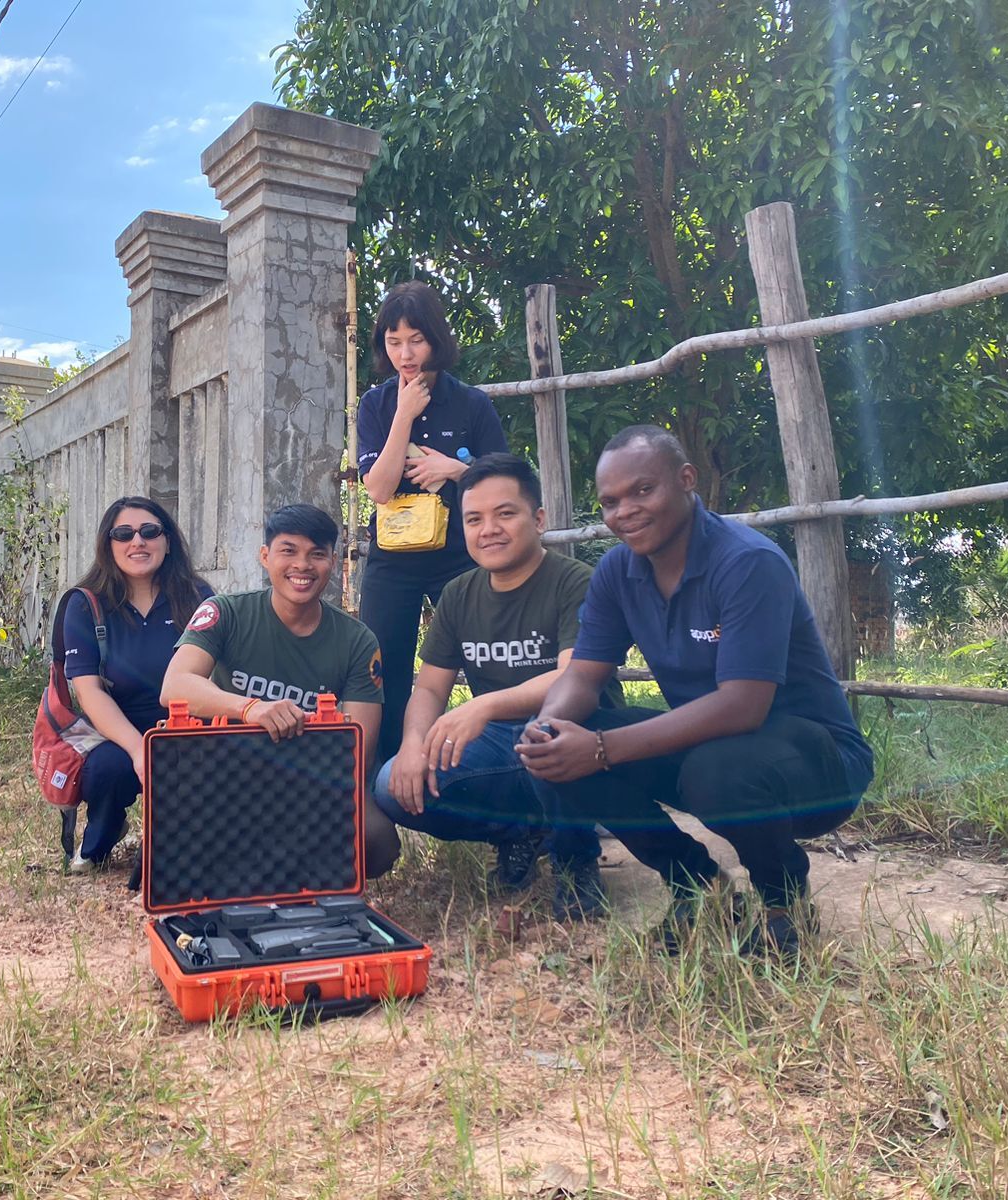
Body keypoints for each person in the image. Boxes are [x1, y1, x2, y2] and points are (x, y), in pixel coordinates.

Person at [517, 426, 874, 950]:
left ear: (686, 480)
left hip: (815, 762)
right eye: (610, 502)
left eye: (643, 491)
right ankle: (698, 887)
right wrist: (547, 728)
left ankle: (784, 902)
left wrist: (600, 748)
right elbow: (583, 675)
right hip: (710, 747)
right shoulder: (618, 571)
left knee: (716, 769)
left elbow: (743, 706)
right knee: (554, 748)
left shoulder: (747, 562)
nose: (625, 512)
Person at [372, 453, 621, 917]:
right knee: (391, 785)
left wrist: (483, 706)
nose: (489, 529)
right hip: (503, 743)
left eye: (505, 513)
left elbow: (576, 676)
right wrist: (411, 744)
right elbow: (428, 689)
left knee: (545, 735)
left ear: (539, 518)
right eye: (474, 519)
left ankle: (576, 861)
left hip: (582, 737)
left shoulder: (577, 582)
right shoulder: (459, 594)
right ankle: (520, 834)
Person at [161, 503, 400, 878]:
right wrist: (252, 708)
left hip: (312, 781)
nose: (302, 566)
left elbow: (359, 751)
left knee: (376, 839)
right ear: (265, 556)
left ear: (333, 563)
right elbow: (175, 686)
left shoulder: (357, 640)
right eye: (288, 551)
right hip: (226, 775)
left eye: (316, 554)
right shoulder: (224, 612)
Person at [357, 281, 509, 763]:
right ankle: (383, 784)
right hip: (392, 559)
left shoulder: (472, 404)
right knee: (383, 667)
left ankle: (495, 766)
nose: (405, 353)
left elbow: (505, 484)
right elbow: (378, 489)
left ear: (437, 339)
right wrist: (403, 415)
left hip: (458, 556)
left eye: (416, 339)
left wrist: (457, 470)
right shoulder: (375, 405)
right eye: (393, 340)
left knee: (486, 657)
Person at [58, 496, 211, 874]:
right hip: (116, 728)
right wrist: (139, 748)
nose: (137, 542)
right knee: (109, 770)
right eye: (123, 534)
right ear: (108, 545)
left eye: (149, 531)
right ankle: (100, 836)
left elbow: (215, 674)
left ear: (168, 540)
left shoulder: (198, 597)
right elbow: (89, 691)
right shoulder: (85, 605)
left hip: (185, 724)